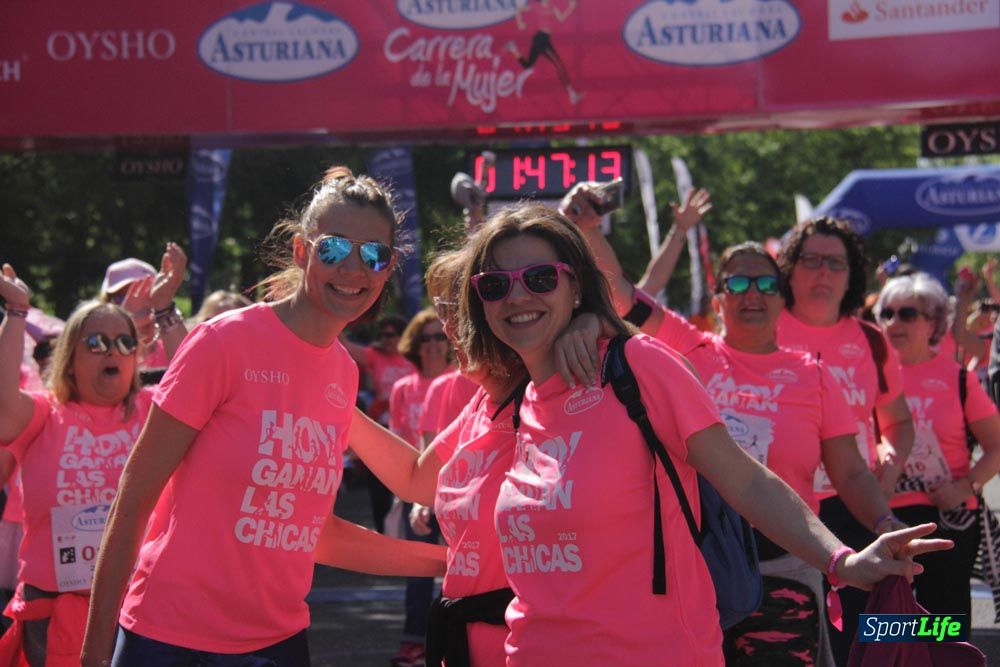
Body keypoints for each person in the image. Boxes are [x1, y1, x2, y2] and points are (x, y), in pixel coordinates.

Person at [456, 203, 949, 666]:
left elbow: (752, 480)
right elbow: (628, 295)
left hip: (726, 605)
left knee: (927, 634)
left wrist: (846, 556)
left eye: (540, 278)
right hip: (533, 653)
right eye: (494, 284)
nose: (517, 295)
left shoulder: (643, 366)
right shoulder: (514, 399)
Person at [80, 168, 446, 667]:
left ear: (388, 268)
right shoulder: (222, 342)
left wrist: (455, 561)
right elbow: (134, 497)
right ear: (302, 251)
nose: (354, 269)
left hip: (277, 642)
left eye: (374, 254)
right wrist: (95, 654)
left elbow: (312, 532)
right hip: (171, 639)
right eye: (334, 248)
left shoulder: (341, 371)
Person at [344, 248, 602, 667]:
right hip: (469, 643)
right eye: (442, 311)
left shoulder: (559, 392)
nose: (446, 329)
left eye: (458, 309)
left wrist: (595, 322)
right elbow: (415, 479)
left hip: (539, 645)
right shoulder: (483, 405)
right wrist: (330, 391)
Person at [0, 263, 167, 665]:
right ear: (69, 358)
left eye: (126, 343)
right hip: (56, 609)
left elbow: (204, 385)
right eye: (96, 342)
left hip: (141, 605)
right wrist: (16, 313)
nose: (113, 351)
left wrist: (166, 312)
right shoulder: (43, 413)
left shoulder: (153, 412)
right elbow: (4, 410)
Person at [775, 217, 915, 665]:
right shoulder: (762, 329)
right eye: (811, 260)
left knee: (869, 632)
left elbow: (898, 421)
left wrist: (889, 466)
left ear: (851, 274)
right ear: (790, 270)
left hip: (855, 504)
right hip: (779, 508)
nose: (823, 273)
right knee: (787, 638)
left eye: (835, 263)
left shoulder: (871, 340)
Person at [875, 273, 1000, 619]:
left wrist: (965, 486)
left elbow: (996, 446)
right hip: (879, 514)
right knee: (881, 624)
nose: (894, 322)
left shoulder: (956, 377)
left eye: (908, 314)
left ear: (933, 323)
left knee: (944, 626)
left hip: (948, 516)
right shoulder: (866, 376)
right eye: (887, 313)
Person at [389, 309, 453, 667]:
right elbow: (399, 438)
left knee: (456, 572)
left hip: (455, 491)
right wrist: (406, 492)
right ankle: (413, 641)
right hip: (416, 490)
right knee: (417, 571)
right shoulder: (403, 388)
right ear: (415, 344)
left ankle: (446, 642)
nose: (432, 345)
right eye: (425, 338)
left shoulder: (461, 381)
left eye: (439, 337)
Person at [342, 315, 416, 533]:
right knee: (380, 484)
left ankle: (410, 536)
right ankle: (385, 533)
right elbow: (343, 345)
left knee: (410, 486)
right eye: (382, 335)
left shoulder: (416, 355)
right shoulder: (374, 356)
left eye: (391, 334)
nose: (386, 339)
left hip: (412, 429)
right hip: (383, 428)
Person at [99, 245, 188, 371]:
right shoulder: (93, 348)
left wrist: (164, 308)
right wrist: (126, 329)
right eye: (122, 298)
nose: (136, 303)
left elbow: (194, 373)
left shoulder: (171, 346)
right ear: (105, 304)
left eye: (145, 294)